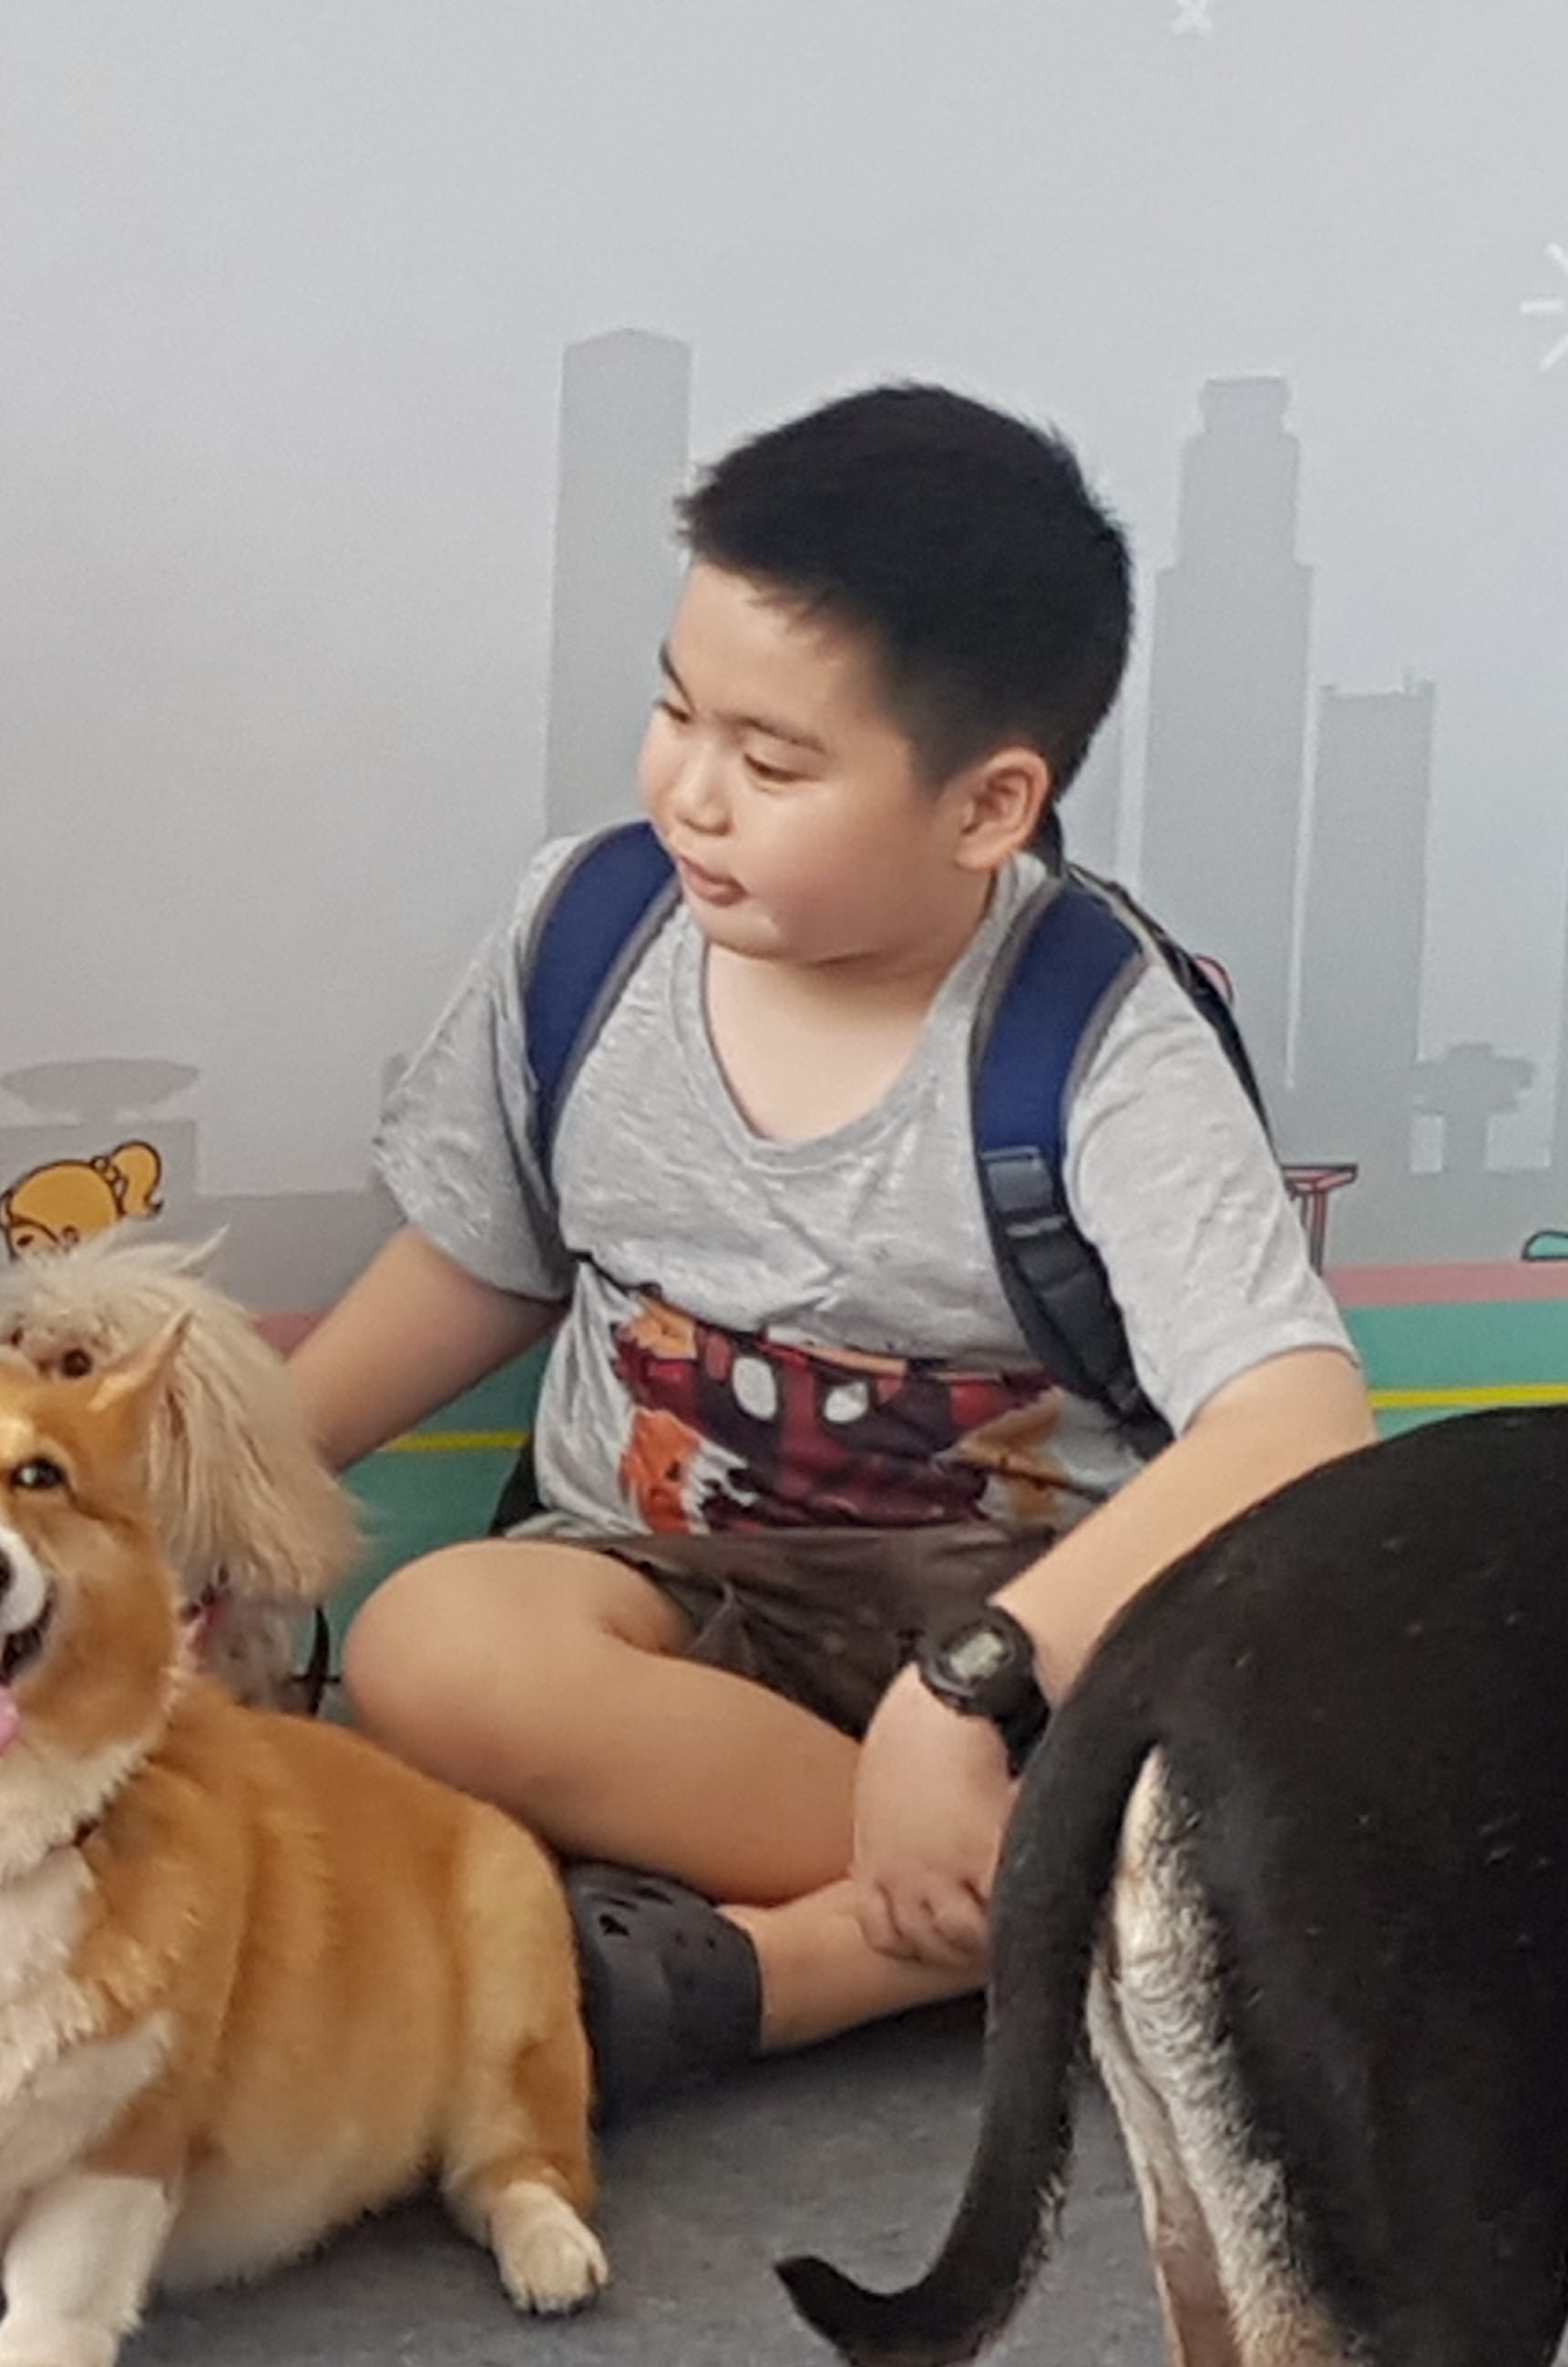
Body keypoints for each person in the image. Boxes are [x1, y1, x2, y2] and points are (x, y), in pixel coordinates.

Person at [290, 384, 1378, 2123]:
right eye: (672, 710)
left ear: (986, 805)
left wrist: (969, 1690)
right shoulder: (589, 930)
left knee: (1253, 1754)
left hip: (1008, 1634)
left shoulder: (1093, 1034)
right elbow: (483, 1261)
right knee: (428, 1651)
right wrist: (220, 1489)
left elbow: (1298, 1422)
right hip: (670, 1598)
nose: (690, 792)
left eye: (773, 761)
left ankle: (777, 1974)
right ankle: (1051, 1913)